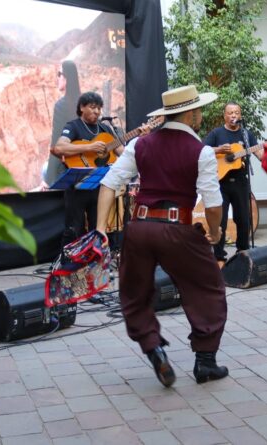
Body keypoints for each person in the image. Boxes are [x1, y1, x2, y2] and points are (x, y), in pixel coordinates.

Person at [96, 85, 229, 387]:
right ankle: (205, 362)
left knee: (134, 293)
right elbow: (214, 203)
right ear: (191, 114)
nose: (200, 116)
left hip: (140, 228)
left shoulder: (140, 144)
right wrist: (216, 230)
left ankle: (154, 348)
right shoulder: (202, 151)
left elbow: (109, 184)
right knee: (207, 289)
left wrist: (101, 230)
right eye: (198, 111)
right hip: (178, 229)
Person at [52, 92, 119, 247]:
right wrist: (90, 147)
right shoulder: (73, 126)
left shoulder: (105, 129)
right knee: (74, 228)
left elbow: (122, 152)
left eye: (99, 108)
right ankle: (69, 264)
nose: (96, 111)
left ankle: (94, 263)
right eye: (92, 107)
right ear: (82, 107)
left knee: (98, 227)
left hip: (99, 187)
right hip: (76, 187)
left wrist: (140, 137)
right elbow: (60, 147)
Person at [204, 102, 260, 263]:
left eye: (236, 112)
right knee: (220, 220)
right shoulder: (216, 133)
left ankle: (243, 251)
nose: (233, 115)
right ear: (225, 115)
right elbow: (201, 150)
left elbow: (260, 155)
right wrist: (219, 150)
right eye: (230, 113)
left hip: (241, 182)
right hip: (221, 183)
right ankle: (218, 256)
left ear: (240, 115)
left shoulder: (246, 135)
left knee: (243, 218)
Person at [44, 60, 81, 188]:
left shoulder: (61, 106)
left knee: (43, 171)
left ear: (67, 79)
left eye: (60, 74)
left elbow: (56, 143)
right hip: (85, 164)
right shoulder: (83, 102)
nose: (57, 78)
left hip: (69, 165)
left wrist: (48, 180)